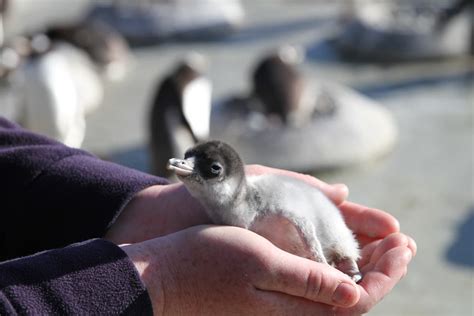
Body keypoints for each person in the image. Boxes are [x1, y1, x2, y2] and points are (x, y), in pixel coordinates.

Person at [0, 116, 416, 315]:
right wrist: (153, 283)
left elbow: (304, 219)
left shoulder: (256, 198)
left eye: (208, 171)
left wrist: (133, 205)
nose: (184, 170)